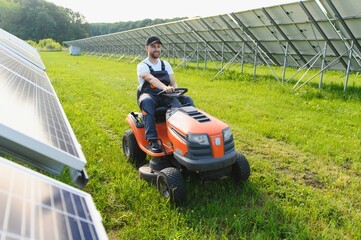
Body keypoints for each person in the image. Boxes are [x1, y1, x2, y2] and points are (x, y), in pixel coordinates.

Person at [137, 36, 194, 153]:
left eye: (158, 47)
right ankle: (153, 140)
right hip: (150, 95)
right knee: (146, 101)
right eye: (153, 47)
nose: (156, 49)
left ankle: (191, 134)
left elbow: (173, 81)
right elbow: (150, 78)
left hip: (166, 95)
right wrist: (164, 87)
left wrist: (176, 91)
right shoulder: (142, 65)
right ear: (146, 48)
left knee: (187, 100)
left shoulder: (165, 64)